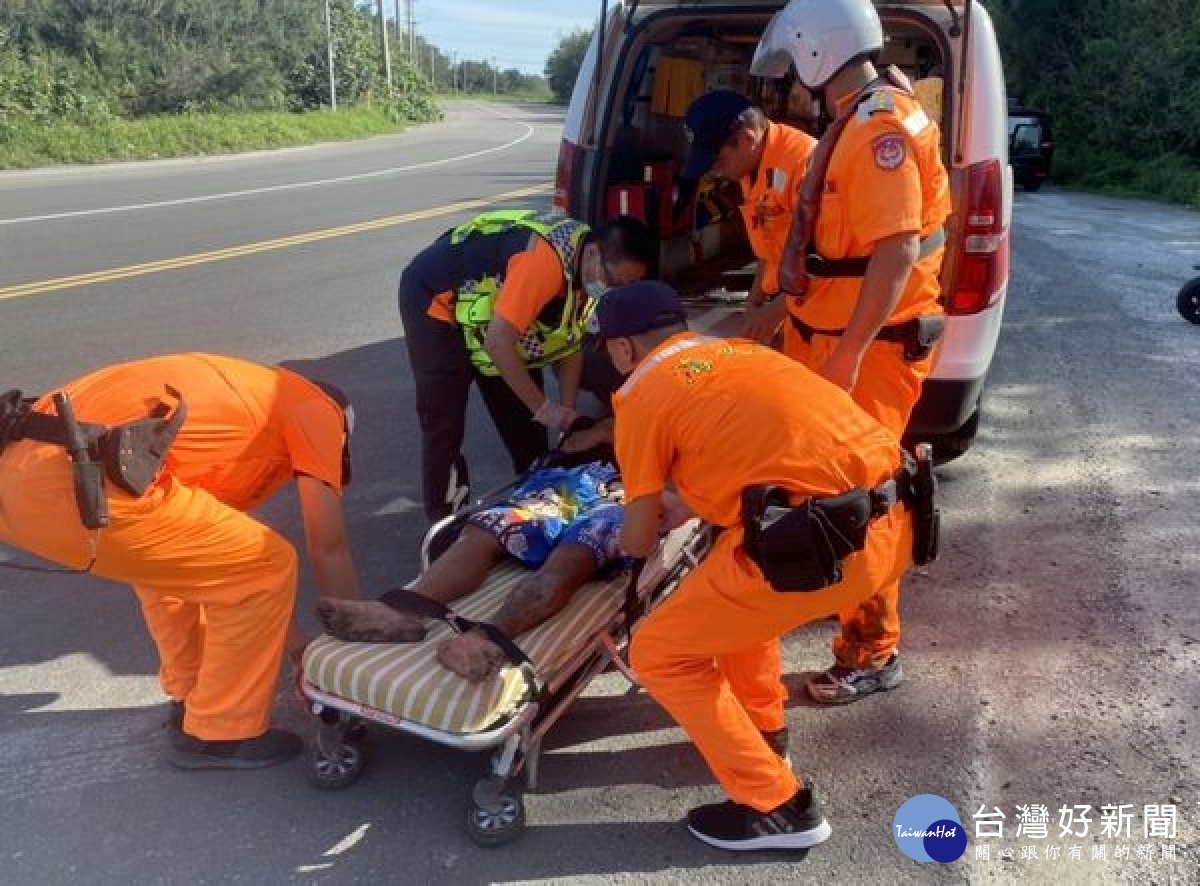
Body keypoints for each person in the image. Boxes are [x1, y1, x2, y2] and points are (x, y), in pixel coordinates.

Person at [598, 281, 915, 851]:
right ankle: (765, 730)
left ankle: (777, 806)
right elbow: (765, 448)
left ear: (622, 349)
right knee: (729, 594)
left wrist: (614, 535)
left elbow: (639, 537)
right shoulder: (739, 353)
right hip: (894, 527)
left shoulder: (642, 393)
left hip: (821, 549)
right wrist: (690, 500)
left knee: (659, 652)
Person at [0, 354, 363, 769]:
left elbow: (211, 567)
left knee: (186, 565)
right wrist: (351, 654)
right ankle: (220, 731)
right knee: (266, 563)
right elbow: (328, 545)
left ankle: (191, 696)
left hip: (19, 477)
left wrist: (299, 650)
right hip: (75, 480)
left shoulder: (250, 399)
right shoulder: (319, 410)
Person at [752, 0, 953, 704]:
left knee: (861, 497)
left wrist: (849, 356)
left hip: (865, 352)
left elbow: (896, 250)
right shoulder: (864, 112)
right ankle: (848, 610)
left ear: (814, 50)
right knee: (830, 486)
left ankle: (871, 650)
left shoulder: (878, 130)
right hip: (834, 343)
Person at [398, 208, 656, 523]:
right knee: (444, 420)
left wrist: (567, 415)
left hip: (495, 318)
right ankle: (445, 525)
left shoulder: (586, 271)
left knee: (529, 436)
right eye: (614, 281)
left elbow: (569, 344)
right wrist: (545, 408)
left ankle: (536, 506)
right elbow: (497, 344)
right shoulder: (543, 264)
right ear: (593, 253)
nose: (615, 291)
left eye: (626, 286)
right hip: (436, 301)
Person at [316, 456, 626, 683]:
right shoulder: (626, 397)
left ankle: (486, 638)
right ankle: (404, 610)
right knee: (488, 529)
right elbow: (567, 443)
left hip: (622, 495)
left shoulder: (658, 406)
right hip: (563, 483)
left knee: (573, 557)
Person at [680, 90, 816, 343]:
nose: (716, 171)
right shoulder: (749, 170)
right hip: (788, 310)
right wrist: (754, 303)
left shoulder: (804, 165)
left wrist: (772, 314)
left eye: (718, 160)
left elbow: (821, 262)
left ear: (747, 138)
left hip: (816, 315)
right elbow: (768, 248)